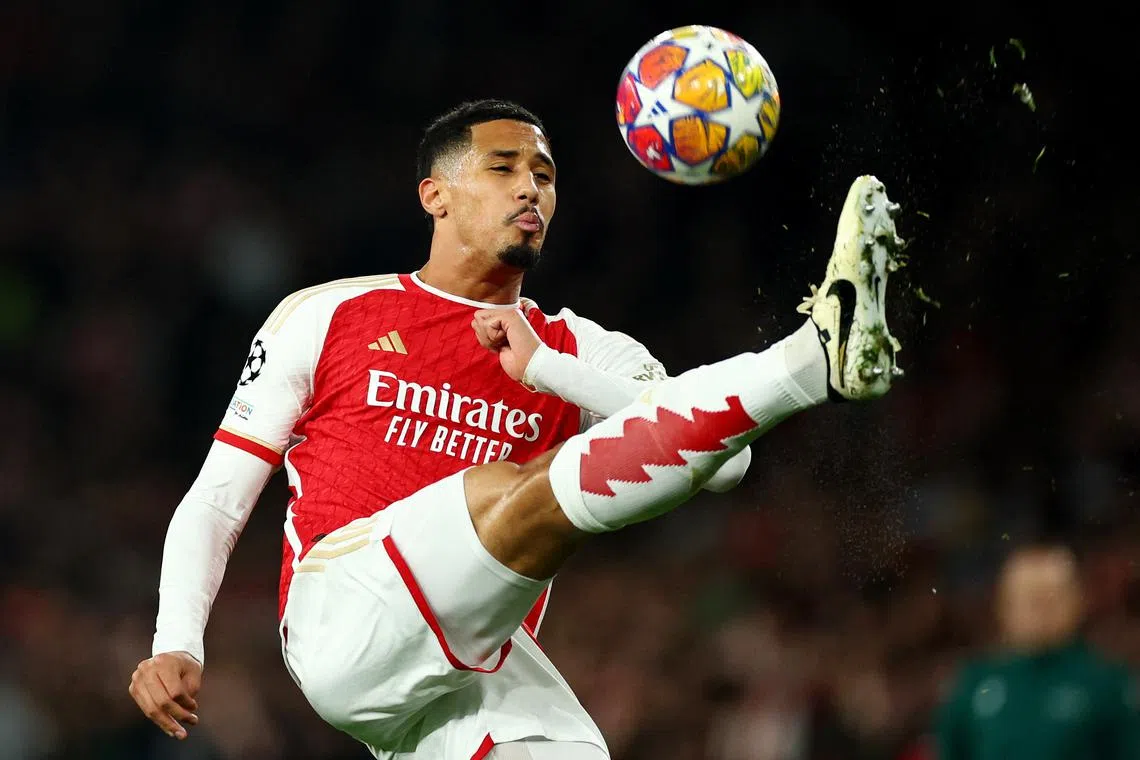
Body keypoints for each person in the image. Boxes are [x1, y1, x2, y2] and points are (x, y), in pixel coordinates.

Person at [128, 99, 906, 759]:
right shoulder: (327, 315)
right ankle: (812, 358)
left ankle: (817, 360)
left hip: (474, 667)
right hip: (344, 615)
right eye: (504, 168)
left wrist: (545, 372)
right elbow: (219, 499)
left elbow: (725, 467)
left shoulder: (581, 349)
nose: (531, 188)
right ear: (436, 194)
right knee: (509, 492)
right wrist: (178, 641)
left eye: (544, 174)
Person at [936, 544, 1140, 760]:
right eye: (1029, 598)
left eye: (1048, 597)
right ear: (1004, 604)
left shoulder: (1107, 683)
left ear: (1076, 601)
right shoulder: (973, 683)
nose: (1039, 610)